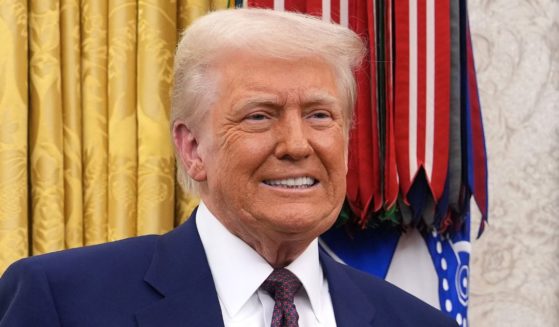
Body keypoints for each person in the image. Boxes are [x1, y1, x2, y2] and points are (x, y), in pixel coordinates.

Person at [0, 9, 457, 327]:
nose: (297, 145)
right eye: (260, 115)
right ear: (193, 147)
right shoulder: (61, 302)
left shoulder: (418, 321)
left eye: (320, 115)